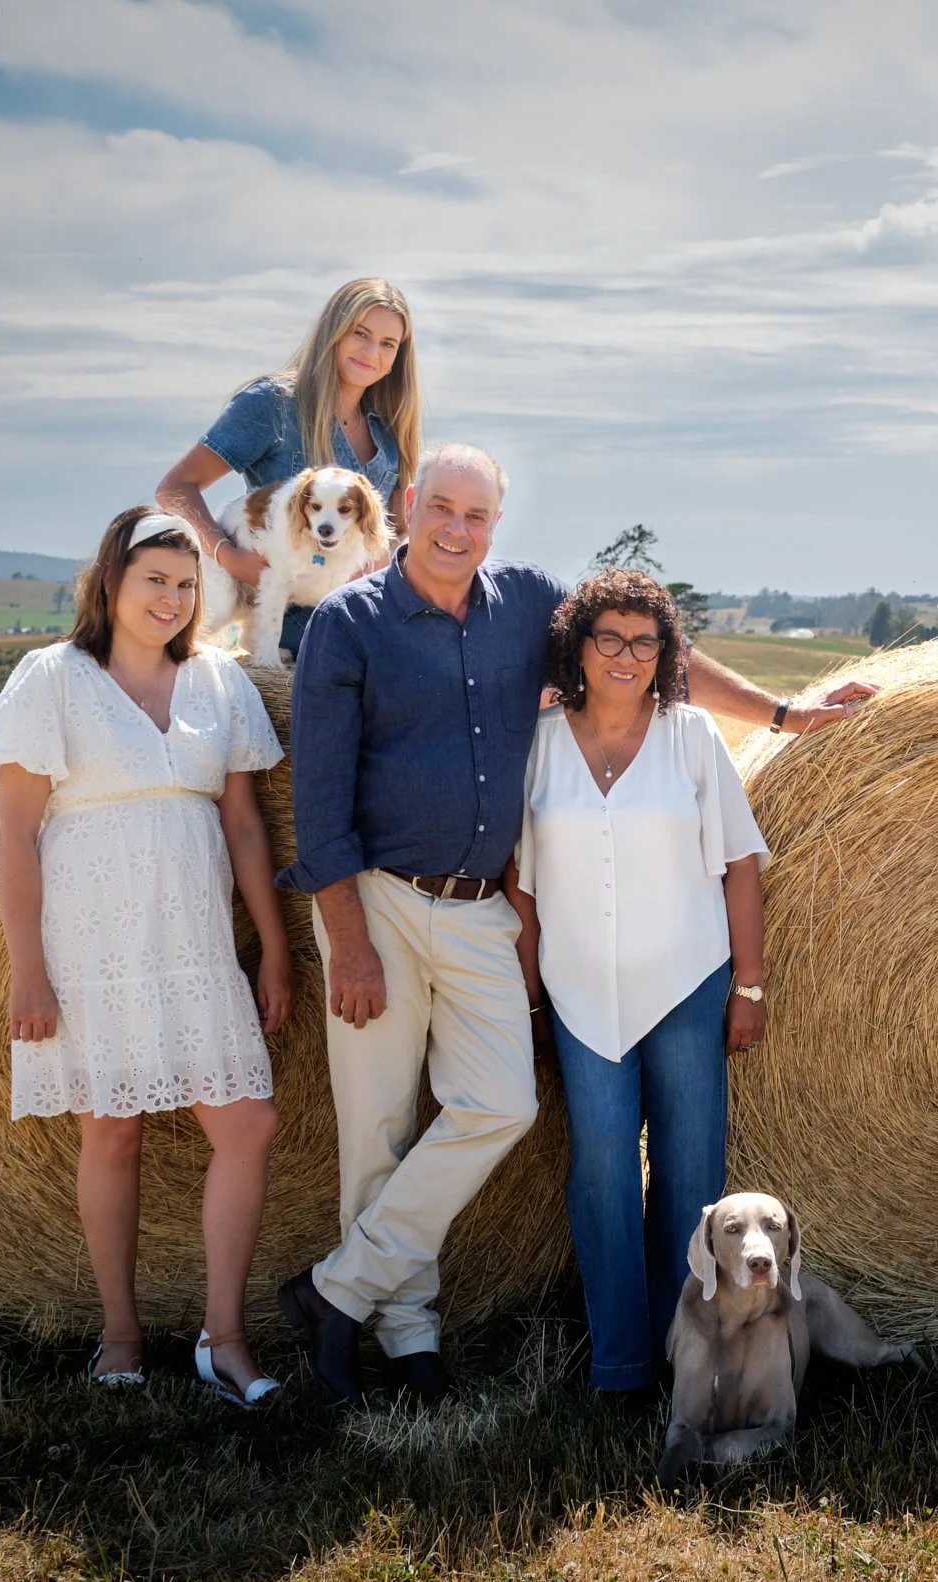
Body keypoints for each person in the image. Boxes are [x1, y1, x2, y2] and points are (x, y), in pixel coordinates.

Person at [272, 443, 874, 1408]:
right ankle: (399, 1331)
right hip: (381, 901)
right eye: (441, 508)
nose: (457, 529)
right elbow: (318, 795)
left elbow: (660, 653)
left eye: (477, 514)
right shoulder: (351, 624)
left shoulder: (528, 605)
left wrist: (783, 711)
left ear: (497, 524)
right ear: (407, 507)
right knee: (377, 1130)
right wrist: (344, 936)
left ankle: (337, 1292)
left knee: (501, 1105)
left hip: (482, 912)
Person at [0, 507, 291, 1407]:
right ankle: (120, 1333)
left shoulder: (219, 681)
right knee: (111, 1128)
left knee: (250, 1122)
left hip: (192, 941)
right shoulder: (53, 679)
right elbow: (15, 835)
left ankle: (222, 1336)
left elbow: (242, 823)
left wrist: (272, 947)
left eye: (187, 585)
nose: (172, 598)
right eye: (155, 578)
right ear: (110, 580)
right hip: (92, 942)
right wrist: (25, 969)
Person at [508, 567, 769, 1399]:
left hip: (689, 984)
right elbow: (522, 882)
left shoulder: (692, 736)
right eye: (609, 638)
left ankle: (684, 1352)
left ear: (666, 653)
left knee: (691, 1178)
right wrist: (531, 996)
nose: (627, 655)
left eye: (645, 641)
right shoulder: (540, 743)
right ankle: (620, 1363)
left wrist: (749, 986)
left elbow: (739, 864)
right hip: (580, 992)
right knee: (604, 1171)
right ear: (577, 648)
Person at [155, 277, 423, 660]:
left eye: (387, 344)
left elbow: (399, 533)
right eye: (360, 334)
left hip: (357, 639)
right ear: (334, 331)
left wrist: (377, 566)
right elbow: (175, 488)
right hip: (281, 638)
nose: (370, 351)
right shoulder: (274, 405)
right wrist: (228, 556)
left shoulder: (391, 430)